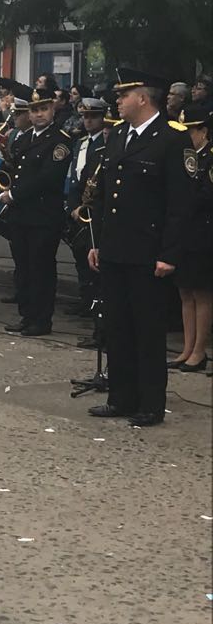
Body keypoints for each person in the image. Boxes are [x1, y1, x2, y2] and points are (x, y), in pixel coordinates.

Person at [86, 69, 194, 427]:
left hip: (148, 252)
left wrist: (169, 254)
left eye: (123, 94)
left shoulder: (171, 138)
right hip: (116, 248)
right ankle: (121, 396)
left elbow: (180, 204)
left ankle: (150, 403)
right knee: (117, 326)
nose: (117, 100)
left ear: (143, 98)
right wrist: (99, 243)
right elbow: (105, 197)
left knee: (147, 329)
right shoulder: (118, 135)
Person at [0, 87, 72, 336]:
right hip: (20, 215)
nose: (39, 114)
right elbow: (16, 170)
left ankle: (41, 320)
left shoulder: (60, 140)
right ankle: (27, 314)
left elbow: (48, 177)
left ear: (52, 110)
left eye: (43, 109)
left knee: (41, 269)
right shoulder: (24, 138)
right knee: (23, 267)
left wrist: (14, 194)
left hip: (43, 215)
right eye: (34, 110)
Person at [167, 103, 212, 373]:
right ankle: (187, 347)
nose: (188, 136)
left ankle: (199, 349)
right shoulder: (184, 156)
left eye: (192, 131)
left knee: (201, 292)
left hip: (203, 230)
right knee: (184, 291)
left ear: (203, 131)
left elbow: (207, 195)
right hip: (184, 230)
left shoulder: (208, 158)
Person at [66, 98, 108, 317]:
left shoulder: (105, 143)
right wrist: (73, 207)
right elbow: (75, 178)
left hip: (94, 208)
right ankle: (85, 299)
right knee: (80, 258)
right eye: (85, 117)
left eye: (93, 117)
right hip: (78, 208)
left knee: (94, 261)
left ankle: (96, 303)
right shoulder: (81, 143)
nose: (88, 121)